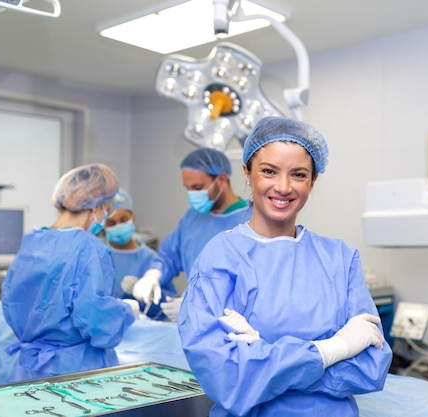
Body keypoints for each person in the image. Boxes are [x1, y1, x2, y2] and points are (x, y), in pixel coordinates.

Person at [178, 116, 393, 416]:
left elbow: (372, 367)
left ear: (313, 181)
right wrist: (333, 349)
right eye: (268, 171)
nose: (283, 187)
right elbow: (227, 379)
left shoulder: (340, 259)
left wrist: (265, 357)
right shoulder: (220, 259)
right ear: (247, 174)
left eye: (299, 175)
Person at [1, 164, 138, 382]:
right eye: (108, 209)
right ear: (97, 205)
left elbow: (10, 304)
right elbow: (95, 320)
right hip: (74, 374)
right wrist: (125, 311)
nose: (106, 217)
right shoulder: (88, 248)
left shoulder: (32, 242)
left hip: (27, 371)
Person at [130, 147, 252, 321]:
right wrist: (153, 275)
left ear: (222, 179)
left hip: (233, 325)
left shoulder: (251, 221)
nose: (192, 195)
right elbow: (169, 255)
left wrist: (197, 305)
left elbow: (249, 287)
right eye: (188, 188)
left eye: (197, 187)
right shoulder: (192, 218)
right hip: (195, 327)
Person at [105, 188, 177, 320]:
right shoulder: (99, 256)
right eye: (111, 223)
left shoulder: (151, 259)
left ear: (133, 217)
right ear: (103, 226)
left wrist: (142, 293)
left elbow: (168, 303)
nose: (118, 226)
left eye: (124, 219)